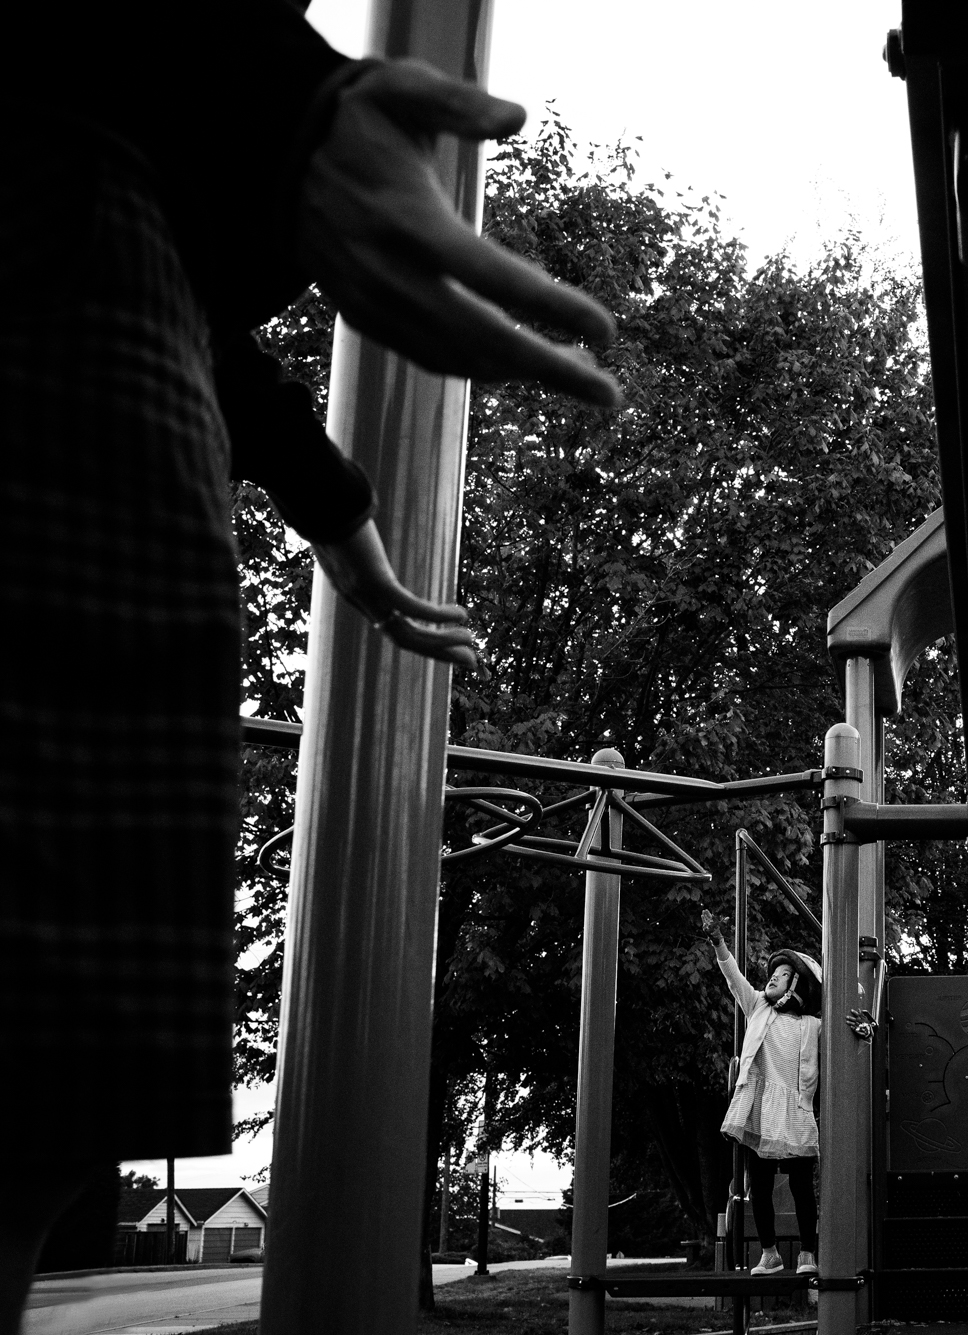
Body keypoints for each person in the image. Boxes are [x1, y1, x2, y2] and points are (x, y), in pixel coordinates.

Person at [1, 5, 620, 1326]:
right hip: (56, 292)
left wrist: (341, 518)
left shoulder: (152, 226)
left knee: (44, 1111)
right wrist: (286, 110)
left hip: (130, 308)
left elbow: (215, 335)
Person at [702, 911, 822, 1276]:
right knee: (761, 1182)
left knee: (802, 1184)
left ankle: (807, 1254)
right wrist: (719, 941)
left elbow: (847, 1025)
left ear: (799, 986)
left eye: (784, 974)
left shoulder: (814, 1025)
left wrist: (864, 1023)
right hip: (761, 1105)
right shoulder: (757, 1007)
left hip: (795, 1107)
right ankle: (769, 1253)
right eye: (774, 972)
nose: (774, 976)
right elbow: (733, 978)